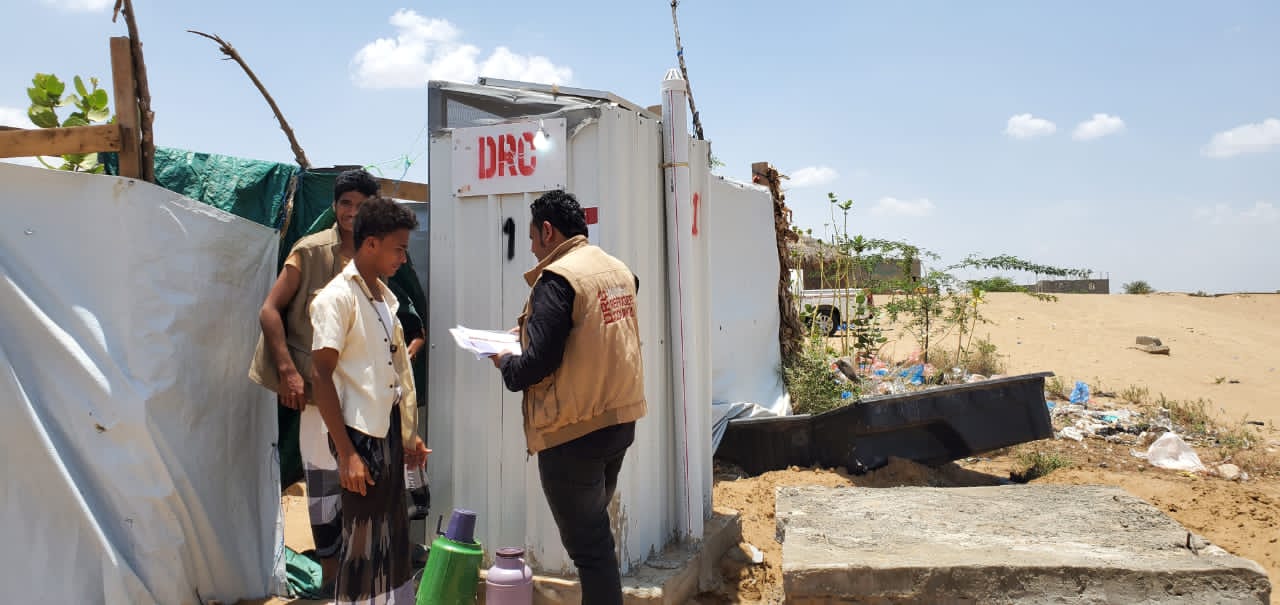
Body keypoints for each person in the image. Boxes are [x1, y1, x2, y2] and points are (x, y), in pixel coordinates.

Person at [250, 168, 427, 586]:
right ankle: (334, 580)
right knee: (326, 488)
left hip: (370, 409)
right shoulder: (313, 254)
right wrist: (290, 372)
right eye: (344, 203)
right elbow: (270, 312)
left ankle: (360, 584)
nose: (350, 212)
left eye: (360, 204)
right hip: (320, 397)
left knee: (372, 508)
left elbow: (403, 334)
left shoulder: (384, 277)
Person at [490, 189, 646, 605]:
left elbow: (532, 368)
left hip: (572, 433)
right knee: (596, 540)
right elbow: (591, 334)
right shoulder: (618, 270)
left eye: (531, 238)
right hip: (617, 422)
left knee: (591, 551)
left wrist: (504, 358)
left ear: (547, 230)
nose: (530, 247)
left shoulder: (557, 280)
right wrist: (527, 334)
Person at [310, 196, 430, 603]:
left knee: (392, 539)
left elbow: (396, 376)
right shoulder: (336, 297)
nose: (402, 258)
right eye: (399, 248)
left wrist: (409, 436)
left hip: (387, 431)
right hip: (359, 437)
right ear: (371, 244)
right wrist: (346, 454)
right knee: (362, 546)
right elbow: (321, 374)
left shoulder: (384, 298)